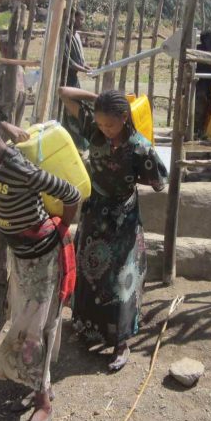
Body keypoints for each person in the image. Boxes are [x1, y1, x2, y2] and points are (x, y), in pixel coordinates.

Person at [0, 99, 81, 421]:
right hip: (20, 257)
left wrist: (59, 231)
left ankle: (43, 404)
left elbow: (71, 195)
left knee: (33, 330)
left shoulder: (17, 167)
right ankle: (42, 385)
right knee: (25, 323)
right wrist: (6, 124)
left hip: (41, 256)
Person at [58, 87, 168, 371]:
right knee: (90, 271)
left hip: (123, 219)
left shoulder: (139, 145)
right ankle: (88, 330)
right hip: (94, 213)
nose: (105, 129)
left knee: (121, 279)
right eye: (101, 122)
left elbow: (159, 181)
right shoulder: (93, 131)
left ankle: (121, 342)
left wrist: (130, 179)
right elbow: (64, 93)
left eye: (110, 123)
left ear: (124, 118)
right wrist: (98, 101)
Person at [62, 9, 92, 150]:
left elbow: (79, 60)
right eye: (79, 19)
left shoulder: (77, 36)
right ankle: (73, 144)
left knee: (78, 109)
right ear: (71, 19)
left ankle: (79, 143)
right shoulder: (65, 35)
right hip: (66, 79)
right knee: (69, 111)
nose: (81, 22)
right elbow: (68, 61)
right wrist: (83, 69)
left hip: (74, 78)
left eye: (82, 19)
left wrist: (87, 67)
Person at [0, 36, 27, 126]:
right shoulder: (0, 69)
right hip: (6, 102)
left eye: (7, 49)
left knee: (16, 125)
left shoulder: (19, 68)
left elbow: (23, 88)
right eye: (3, 49)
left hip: (19, 100)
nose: (4, 51)